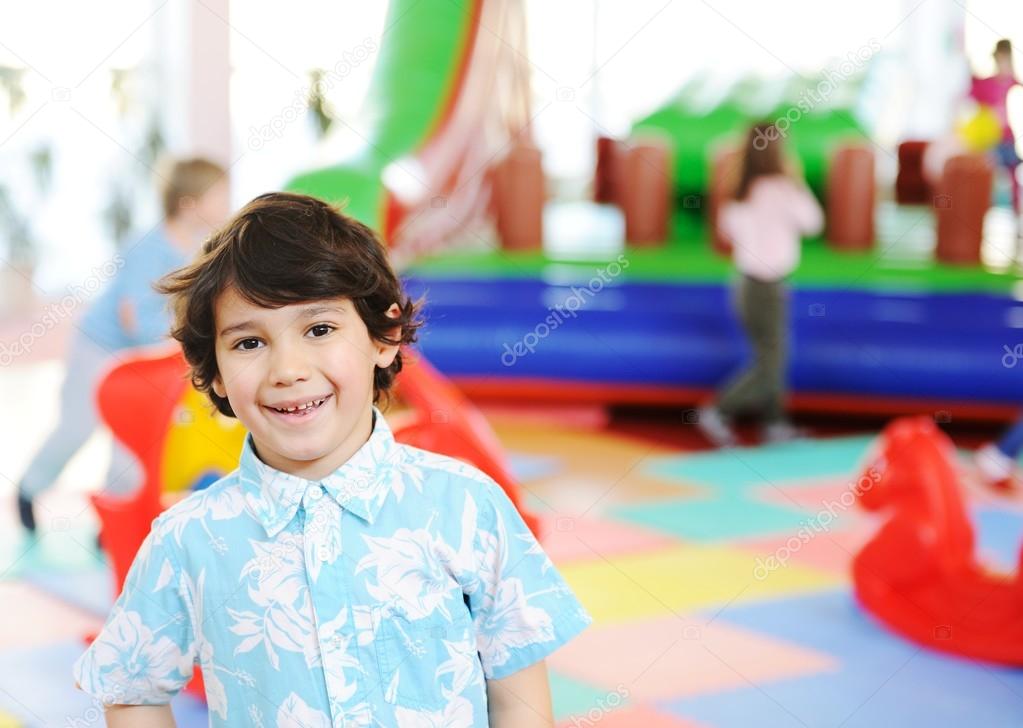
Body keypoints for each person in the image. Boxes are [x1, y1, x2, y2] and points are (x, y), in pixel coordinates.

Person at [73, 192, 591, 727]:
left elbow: (518, 691)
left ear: (384, 336)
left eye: (319, 330)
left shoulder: (465, 503)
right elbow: (132, 687)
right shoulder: (188, 540)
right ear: (217, 372)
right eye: (250, 343)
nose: (288, 369)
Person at [16, 157, 229, 532]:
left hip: (146, 357)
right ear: (189, 204)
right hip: (100, 347)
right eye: (218, 195)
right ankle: (29, 489)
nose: (226, 202)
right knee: (78, 425)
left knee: (133, 439)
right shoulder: (149, 247)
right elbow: (135, 318)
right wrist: (188, 335)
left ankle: (115, 520)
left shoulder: (199, 247)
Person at [697, 122, 823, 447]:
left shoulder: (741, 187)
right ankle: (719, 410)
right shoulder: (782, 188)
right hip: (767, 285)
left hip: (744, 284)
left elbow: (727, 230)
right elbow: (813, 222)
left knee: (770, 355)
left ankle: (774, 422)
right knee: (771, 360)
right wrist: (796, 180)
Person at [969, 38, 1021, 220]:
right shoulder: (985, 83)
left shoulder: (1011, 81)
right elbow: (971, 92)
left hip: (1007, 139)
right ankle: (981, 214)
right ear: (996, 59)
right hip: (990, 140)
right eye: (1001, 60)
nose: (1004, 64)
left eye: (1007, 60)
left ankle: (1017, 215)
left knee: (1014, 175)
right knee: (986, 176)